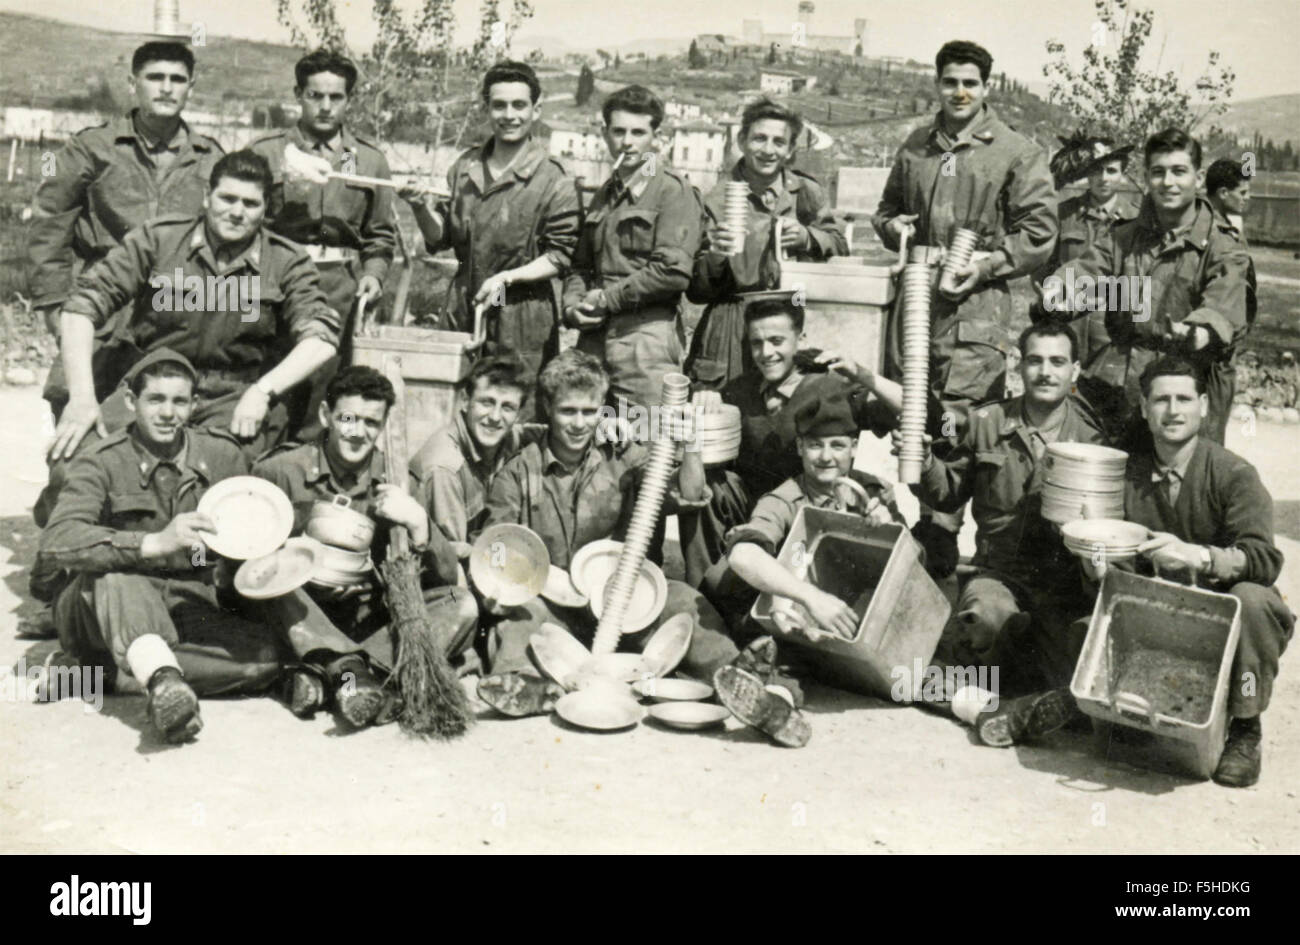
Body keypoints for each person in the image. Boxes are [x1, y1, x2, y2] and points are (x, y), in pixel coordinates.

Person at [42, 149, 341, 494]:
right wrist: (82, 398)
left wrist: (263, 392)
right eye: (227, 198)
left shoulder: (287, 261)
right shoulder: (159, 240)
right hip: (151, 383)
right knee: (75, 467)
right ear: (206, 197)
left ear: (265, 209)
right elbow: (81, 308)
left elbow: (321, 338)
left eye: (250, 203)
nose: (237, 212)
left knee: (217, 487)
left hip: (231, 397)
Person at [472, 350, 744, 717]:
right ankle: (522, 685)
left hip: (625, 605)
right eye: (568, 411)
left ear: (603, 410)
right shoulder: (518, 473)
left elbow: (689, 495)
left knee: (682, 600)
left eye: (589, 411)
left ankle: (740, 681)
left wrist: (691, 446)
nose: (579, 423)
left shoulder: (623, 456)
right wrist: (498, 585)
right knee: (521, 616)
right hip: (555, 609)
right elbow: (496, 543)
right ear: (548, 409)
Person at [34, 350, 287, 745]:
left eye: (179, 401)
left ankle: (104, 672)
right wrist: (150, 544)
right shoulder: (100, 461)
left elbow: (248, 526)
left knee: (264, 661)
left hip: (188, 602)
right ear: (132, 403)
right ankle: (163, 681)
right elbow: (56, 542)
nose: (168, 413)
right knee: (119, 576)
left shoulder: (222, 455)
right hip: (98, 606)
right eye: (156, 400)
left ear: (194, 405)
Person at [873, 39, 1058, 578]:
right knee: (913, 419)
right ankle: (929, 545)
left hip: (976, 318)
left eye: (970, 83)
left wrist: (988, 263)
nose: (959, 92)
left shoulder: (1015, 152)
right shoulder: (916, 147)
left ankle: (947, 542)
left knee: (962, 427)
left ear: (986, 88)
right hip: (916, 312)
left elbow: (1040, 233)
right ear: (937, 84)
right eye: (950, 81)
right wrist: (892, 227)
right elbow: (885, 213)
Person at [897, 321, 1110, 747]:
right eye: (1034, 360)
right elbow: (949, 491)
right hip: (1000, 574)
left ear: (1076, 370)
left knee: (1081, 684)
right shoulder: (987, 422)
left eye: (1057, 362)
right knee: (986, 618)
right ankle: (993, 698)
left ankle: (1006, 696)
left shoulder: (1094, 438)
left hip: (1062, 585)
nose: (1045, 372)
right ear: (1017, 366)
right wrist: (923, 463)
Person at [1100, 357, 1293, 787]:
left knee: (1255, 600)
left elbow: (1263, 559)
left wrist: (1202, 557)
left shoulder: (1233, 474)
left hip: (1222, 620)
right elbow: (1116, 555)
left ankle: (1246, 726)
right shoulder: (1125, 473)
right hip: (1158, 614)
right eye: (1161, 400)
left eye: (1184, 399)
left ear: (1204, 406)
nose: (1173, 410)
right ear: (1145, 408)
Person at [252, 366, 477, 728]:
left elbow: (445, 579)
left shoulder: (397, 478)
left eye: (371, 423)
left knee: (461, 605)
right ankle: (353, 673)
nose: (358, 432)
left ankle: (333, 676)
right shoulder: (281, 471)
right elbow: (246, 564)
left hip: (367, 616)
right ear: (326, 415)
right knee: (273, 574)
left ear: (384, 424)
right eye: (347, 418)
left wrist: (419, 522)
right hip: (304, 614)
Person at [28, 41, 224, 424]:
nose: (166, 88)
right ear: (132, 82)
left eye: (177, 79)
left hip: (175, 311)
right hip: (101, 311)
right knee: (81, 430)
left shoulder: (211, 157)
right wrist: (55, 309)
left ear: (191, 86)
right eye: (155, 77)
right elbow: (49, 221)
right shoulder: (91, 147)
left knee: (166, 427)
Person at [1039, 128, 1255, 448]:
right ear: (1146, 176)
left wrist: (1199, 331)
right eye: (1158, 172)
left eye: (1179, 171)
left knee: (1184, 489)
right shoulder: (1124, 239)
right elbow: (1084, 273)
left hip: (1190, 390)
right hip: (1125, 389)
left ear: (1197, 178)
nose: (1168, 182)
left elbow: (1226, 303)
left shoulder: (1224, 246)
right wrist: (1056, 293)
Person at [711, 392, 904, 747]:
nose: (826, 456)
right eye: (815, 445)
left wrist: (893, 529)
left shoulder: (873, 491)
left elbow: (916, 565)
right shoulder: (784, 499)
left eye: (837, 445)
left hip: (861, 623)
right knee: (787, 654)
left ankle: (980, 709)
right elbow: (742, 556)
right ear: (800, 447)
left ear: (854, 447)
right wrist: (812, 598)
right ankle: (777, 707)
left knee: (914, 669)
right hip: (803, 626)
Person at [683, 293, 900, 590]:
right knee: (707, 485)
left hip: (815, 510)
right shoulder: (739, 390)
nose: (766, 352)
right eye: (756, 343)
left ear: (801, 339)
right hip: (758, 514)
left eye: (776, 341)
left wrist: (863, 374)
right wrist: (707, 403)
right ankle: (703, 595)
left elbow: (926, 414)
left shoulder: (833, 386)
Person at [401, 61, 579, 420]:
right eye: (499, 105)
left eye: (519, 105)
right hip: (464, 304)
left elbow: (559, 256)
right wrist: (420, 207)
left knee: (515, 413)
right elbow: (441, 239)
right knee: (451, 407)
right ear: (487, 109)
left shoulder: (554, 179)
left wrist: (505, 278)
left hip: (520, 310)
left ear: (536, 110)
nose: (509, 115)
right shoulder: (464, 168)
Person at [252, 49, 397, 439]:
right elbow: (244, 222)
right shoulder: (268, 153)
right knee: (273, 376)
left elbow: (380, 236)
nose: (326, 107)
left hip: (339, 285)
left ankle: (310, 472)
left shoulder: (364, 160)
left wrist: (374, 276)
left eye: (336, 97)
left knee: (327, 384)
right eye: (315, 95)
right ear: (298, 94)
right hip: (277, 282)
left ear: (349, 100)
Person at [684, 98, 847, 389]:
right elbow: (696, 291)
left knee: (793, 415)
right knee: (724, 417)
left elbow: (840, 248)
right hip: (732, 329)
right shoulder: (714, 200)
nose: (768, 150)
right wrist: (715, 258)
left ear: (791, 150)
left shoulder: (805, 193)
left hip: (791, 323)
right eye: (759, 138)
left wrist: (808, 238)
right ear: (742, 140)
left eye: (779, 142)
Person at [562, 85, 704, 411]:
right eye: (619, 131)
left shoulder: (672, 191)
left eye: (638, 132)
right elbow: (580, 267)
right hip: (594, 338)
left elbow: (672, 272)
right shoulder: (603, 195)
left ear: (657, 136)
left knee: (647, 442)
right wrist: (571, 308)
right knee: (588, 439)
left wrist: (606, 299)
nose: (627, 142)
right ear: (604, 133)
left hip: (646, 340)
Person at [408, 354, 545, 555]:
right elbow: (448, 558)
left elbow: (553, 433)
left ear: (518, 414)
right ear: (465, 400)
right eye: (487, 403)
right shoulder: (444, 469)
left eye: (507, 407)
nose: (495, 417)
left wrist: (603, 429)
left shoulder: (506, 437)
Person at [1036, 134, 1139, 366]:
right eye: (1095, 170)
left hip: (1113, 327)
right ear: (1085, 174)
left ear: (1122, 176)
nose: (1103, 178)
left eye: (1111, 171)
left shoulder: (1136, 220)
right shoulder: (1063, 214)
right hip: (1068, 322)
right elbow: (1043, 268)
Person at [1205, 157, 1250, 242]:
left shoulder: (1223, 221)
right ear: (1223, 193)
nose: (1247, 197)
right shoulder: (1207, 227)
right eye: (1242, 193)